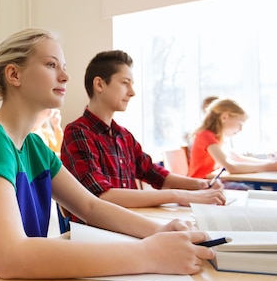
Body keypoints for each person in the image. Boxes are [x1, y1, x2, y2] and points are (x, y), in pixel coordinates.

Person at [0, 29, 216, 281]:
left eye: (64, 67)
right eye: (51, 65)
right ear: (14, 75)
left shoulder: (34, 146)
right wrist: (149, 254)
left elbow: (90, 206)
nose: (64, 76)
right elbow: (11, 258)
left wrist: (159, 232)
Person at [60, 50, 225, 215]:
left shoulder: (123, 135)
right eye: (125, 83)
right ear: (100, 84)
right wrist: (178, 195)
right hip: (97, 232)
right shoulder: (78, 132)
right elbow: (101, 196)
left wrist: (201, 185)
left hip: (131, 224)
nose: (132, 92)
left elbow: (153, 173)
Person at [188, 98, 277, 185]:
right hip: (202, 185)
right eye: (240, 123)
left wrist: (270, 163)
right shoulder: (205, 136)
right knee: (249, 191)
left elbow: (238, 159)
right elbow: (231, 167)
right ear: (224, 117)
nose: (240, 129)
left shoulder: (217, 138)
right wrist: (268, 166)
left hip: (213, 182)